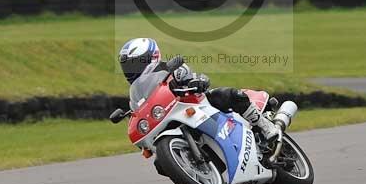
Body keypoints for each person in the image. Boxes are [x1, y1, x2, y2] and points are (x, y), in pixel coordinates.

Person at [118, 37, 280, 140]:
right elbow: (138, 107)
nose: (131, 70)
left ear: (152, 56)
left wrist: (197, 82)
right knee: (160, 164)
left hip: (198, 105)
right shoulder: (138, 91)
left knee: (228, 94)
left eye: (134, 63)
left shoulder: (169, 68)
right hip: (171, 118)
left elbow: (195, 77)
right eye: (127, 66)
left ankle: (265, 125)